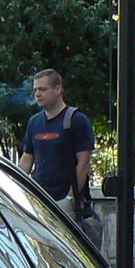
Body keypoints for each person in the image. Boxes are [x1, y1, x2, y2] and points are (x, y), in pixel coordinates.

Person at [19, 69, 95, 226]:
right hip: (40, 203)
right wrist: (15, 188)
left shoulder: (76, 120)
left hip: (67, 205)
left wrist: (69, 199)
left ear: (58, 89)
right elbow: (27, 158)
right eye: (35, 90)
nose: (37, 94)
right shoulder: (34, 122)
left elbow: (84, 162)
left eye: (43, 89)